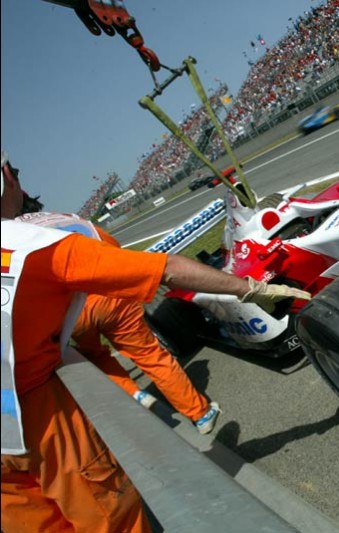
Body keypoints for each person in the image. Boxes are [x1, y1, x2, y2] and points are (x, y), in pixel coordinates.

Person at [1, 150, 311, 533]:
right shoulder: (35, 240)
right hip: (35, 400)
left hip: (62, 335)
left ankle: (133, 394)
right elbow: (161, 268)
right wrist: (252, 288)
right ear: (7, 177)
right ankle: (199, 412)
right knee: (111, 515)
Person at [17, 207, 221, 435]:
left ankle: (135, 394)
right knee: (150, 355)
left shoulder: (16, 239)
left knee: (96, 357)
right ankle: (200, 414)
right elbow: (111, 247)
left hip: (71, 314)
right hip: (111, 296)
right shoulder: (63, 217)